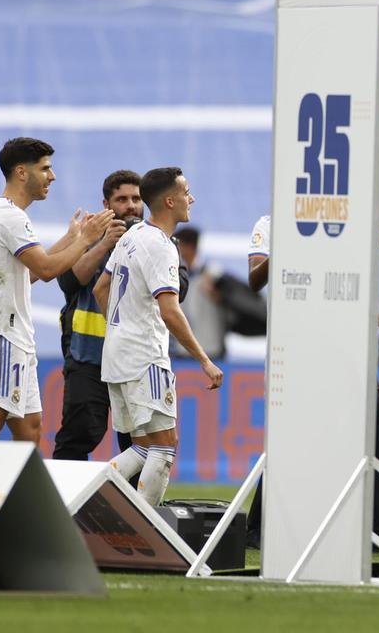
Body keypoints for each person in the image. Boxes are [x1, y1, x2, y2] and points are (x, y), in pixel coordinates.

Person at [242, 166, 379, 551]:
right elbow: (254, 279)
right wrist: (291, 248)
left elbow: (366, 250)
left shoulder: (335, 226)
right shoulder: (270, 225)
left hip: (348, 343)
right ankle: (259, 525)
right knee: (291, 432)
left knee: (374, 428)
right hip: (297, 345)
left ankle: (377, 527)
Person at [92, 167, 221, 505]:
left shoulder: (131, 237)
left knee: (141, 447)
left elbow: (101, 288)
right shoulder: (161, 245)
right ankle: (146, 534)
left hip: (117, 356)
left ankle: (89, 504)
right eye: (186, 191)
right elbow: (170, 310)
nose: (190, 198)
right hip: (144, 358)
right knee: (165, 448)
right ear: (169, 200)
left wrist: (120, 329)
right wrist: (205, 360)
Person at [0, 138, 114, 443]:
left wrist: (72, 239)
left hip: (17, 336)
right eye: (45, 168)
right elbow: (47, 270)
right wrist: (86, 240)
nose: (52, 176)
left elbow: (31, 273)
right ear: (21, 172)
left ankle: (18, 492)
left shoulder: (9, 215)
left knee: (30, 428)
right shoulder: (10, 217)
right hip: (5, 336)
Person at [54, 170, 159, 460]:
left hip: (135, 358)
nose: (130, 205)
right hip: (89, 357)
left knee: (140, 443)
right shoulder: (87, 237)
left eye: (136, 199)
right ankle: (64, 504)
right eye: (121, 199)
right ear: (106, 204)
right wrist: (104, 245)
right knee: (80, 434)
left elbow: (180, 287)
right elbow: (68, 282)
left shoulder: (155, 239)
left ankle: (136, 505)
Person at [172, 227, 227, 361]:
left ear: (190, 247)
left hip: (211, 351)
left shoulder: (214, 274)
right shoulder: (175, 275)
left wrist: (215, 291)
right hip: (182, 352)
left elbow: (229, 302)